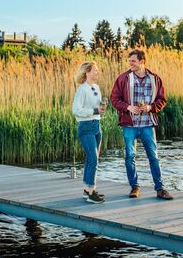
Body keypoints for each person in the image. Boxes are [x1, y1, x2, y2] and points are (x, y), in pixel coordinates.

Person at [110, 49, 173, 200]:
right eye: (129, 61)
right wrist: (128, 107)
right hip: (129, 125)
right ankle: (134, 187)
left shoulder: (155, 79)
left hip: (147, 124)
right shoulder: (123, 78)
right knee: (130, 156)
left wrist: (151, 107)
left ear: (142, 61)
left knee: (153, 156)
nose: (130, 63)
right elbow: (114, 98)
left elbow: (162, 100)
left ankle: (160, 189)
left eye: (133, 61)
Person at [72, 61, 106, 204]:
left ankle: (87, 189)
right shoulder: (81, 89)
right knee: (93, 159)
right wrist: (94, 111)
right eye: (95, 70)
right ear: (87, 72)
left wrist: (102, 105)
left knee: (91, 159)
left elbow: (97, 107)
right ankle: (91, 192)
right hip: (86, 126)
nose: (97, 72)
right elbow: (76, 110)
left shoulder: (96, 87)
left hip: (97, 125)